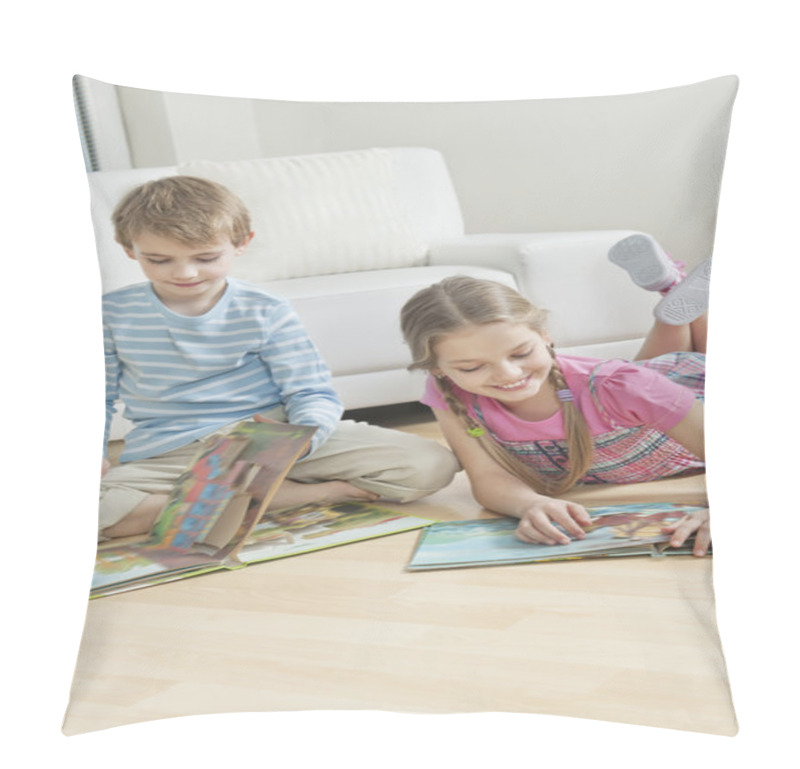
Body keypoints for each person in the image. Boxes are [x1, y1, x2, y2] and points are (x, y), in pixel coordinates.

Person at [99, 176, 458, 539]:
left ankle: (230, 495)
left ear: (241, 243)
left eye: (205, 258)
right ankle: (295, 495)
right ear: (129, 249)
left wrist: (301, 441)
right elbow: (99, 398)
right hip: (175, 448)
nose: (185, 273)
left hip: (271, 436)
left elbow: (310, 391)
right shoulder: (111, 314)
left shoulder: (264, 308)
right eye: (159, 260)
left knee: (431, 466)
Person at [399, 234, 712, 556]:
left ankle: (678, 290)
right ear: (437, 369)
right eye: (471, 367)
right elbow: (487, 476)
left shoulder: (623, 386)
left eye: (521, 353)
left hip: (698, 391)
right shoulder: (449, 392)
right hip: (648, 389)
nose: (508, 374)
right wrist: (530, 504)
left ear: (545, 335)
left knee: (665, 373)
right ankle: (674, 293)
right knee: (649, 375)